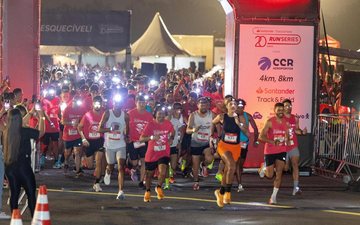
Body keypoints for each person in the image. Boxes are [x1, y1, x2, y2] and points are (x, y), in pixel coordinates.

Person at [3, 107, 45, 217]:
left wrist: (30, 113)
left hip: (10, 168)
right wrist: (42, 117)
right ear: (20, 119)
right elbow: (41, 132)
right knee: (31, 194)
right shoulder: (25, 131)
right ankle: (34, 219)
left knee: (14, 194)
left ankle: (14, 218)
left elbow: (17, 121)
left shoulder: (6, 131)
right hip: (23, 168)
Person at [212, 98, 249, 208]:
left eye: (235, 104)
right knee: (231, 165)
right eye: (231, 104)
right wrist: (213, 136)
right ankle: (228, 192)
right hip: (223, 145)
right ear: (227, 106)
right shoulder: (222, 116)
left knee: (228, 169)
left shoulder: (240, 117)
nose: (233, 105)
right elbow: (213, 123)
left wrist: (239, 124)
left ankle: (220, 192)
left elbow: (246, 132)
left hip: (236, 146)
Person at [140, 105, 175, 202]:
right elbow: (141, 138)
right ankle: (147, 191)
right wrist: (151, 138)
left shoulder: (168, 123)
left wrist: (171, 138)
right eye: (159, 114)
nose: (161, 116)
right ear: (155, 115)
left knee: (163, 172)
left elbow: (173, 132)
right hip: (152, 153)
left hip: (164, 152)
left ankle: (158, 187)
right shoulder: (150, 124)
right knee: (149, 175)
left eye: (163, 114)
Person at [99, 93, 128, 199]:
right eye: (116, 103)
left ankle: (121, 191)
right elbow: (99, 129)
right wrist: (109, 129)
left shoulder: (125, 115)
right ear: (113, 103)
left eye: (119, 103)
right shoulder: (107, 113)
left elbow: (127, 129)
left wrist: (126, 135)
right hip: (109, 145)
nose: (117, 105)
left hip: (121, 144)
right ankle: (108, 171)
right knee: (111, 165)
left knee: (121, 167)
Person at [258, 102, 289, 205]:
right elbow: (261, 137)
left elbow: (287, 138)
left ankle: (273, 197)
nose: (281, 112)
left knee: (279, 174)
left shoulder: (286, 122)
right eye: (278, 110)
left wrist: (286, 143)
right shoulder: (270, 122)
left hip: (281, 150)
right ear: (275, 111)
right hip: (270, 150)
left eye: (282, 110)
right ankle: (263, 167)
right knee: (270, 175)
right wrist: (272, 142)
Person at [186, 97, 215, 190]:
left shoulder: (212, 114)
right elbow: (187, 130)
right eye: (201, 104)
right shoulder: (193, 115)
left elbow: (218, 125)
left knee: (210, 159)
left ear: (208, 105)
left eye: (205, 104)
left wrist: (216, 137)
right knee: (195, 164)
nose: (203, 106)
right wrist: (194, 129)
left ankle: (204, 165)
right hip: (196, 142)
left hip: (206, 142)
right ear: (197, 105)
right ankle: (196, 182)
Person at [78, 96, 106, 192]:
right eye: (96, 104)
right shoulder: (87, 115)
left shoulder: (104, 114)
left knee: (98, 161)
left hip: (99, 140)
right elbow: (79, 127)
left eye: (99, 104)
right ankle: (84, 160)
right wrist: (83, 139)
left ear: (102, 105)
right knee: (90, 165)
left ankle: (96, 182)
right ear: (93, 104)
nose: (98, 106)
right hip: (89, 141)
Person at [127, 95, 153, 187]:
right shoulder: (130, 113)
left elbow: (151, 128)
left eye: (143, 103)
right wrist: (127, 136)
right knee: (134, 162)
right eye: (140, 102)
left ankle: (142, 181)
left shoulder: (149, 115)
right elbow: (125, 126)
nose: (142, 104)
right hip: (132, 141)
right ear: (136, 103)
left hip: (144, 141)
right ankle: (133, 168)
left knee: (144, 161)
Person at [282, 99, 307, 196]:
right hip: (283, 147)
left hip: (293, 145)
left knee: (295, 165)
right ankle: (266, 165)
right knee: (284, 168)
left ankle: (296, 188)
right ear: (283, 107)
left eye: (290, 106)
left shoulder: (295, 118)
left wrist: (302, 132)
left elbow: (296, 130)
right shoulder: (280, 118)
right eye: (286, 106)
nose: (288, 108)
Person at [235, 99, 259, 192]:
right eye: (238, 107)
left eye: (242, 107)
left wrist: (255, 140)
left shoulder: (247, 116)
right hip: (233, 143)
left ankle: (238, 182)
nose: (240, 109)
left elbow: (255, 129)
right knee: (236, 164)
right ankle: (239, 184)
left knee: (240, 164)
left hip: (244, 143)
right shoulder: (232, 116)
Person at [61, 95, 86, 177]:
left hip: (77, 135)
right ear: (73, 102)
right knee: (67, 153)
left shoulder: (82, 109)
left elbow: (84, 119)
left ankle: (78, 170)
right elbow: (63, 122)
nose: (77, 105)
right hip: (68, 135)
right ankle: (66, 161)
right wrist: (71, 123)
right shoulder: (67, 109)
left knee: (77, 152)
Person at [164, 102, 185, 189]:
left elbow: (182, 129)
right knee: (165, 164)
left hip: (174, 145)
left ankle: (170, 172)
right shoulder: (163, 121)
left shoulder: (176, 121)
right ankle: (167, 182)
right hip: (164, 146)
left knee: (173, 165)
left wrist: (180, 141)